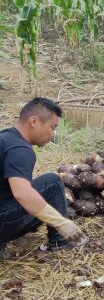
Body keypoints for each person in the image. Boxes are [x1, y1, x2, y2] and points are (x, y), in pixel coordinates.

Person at [0, 97, 84, 258]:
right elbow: (21, 193)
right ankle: (60, 241)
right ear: (34, 121)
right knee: (52, 183)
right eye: (52, 127)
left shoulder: (6, 138)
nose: (53, 135)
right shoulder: (20, 149)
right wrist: (62, 222)